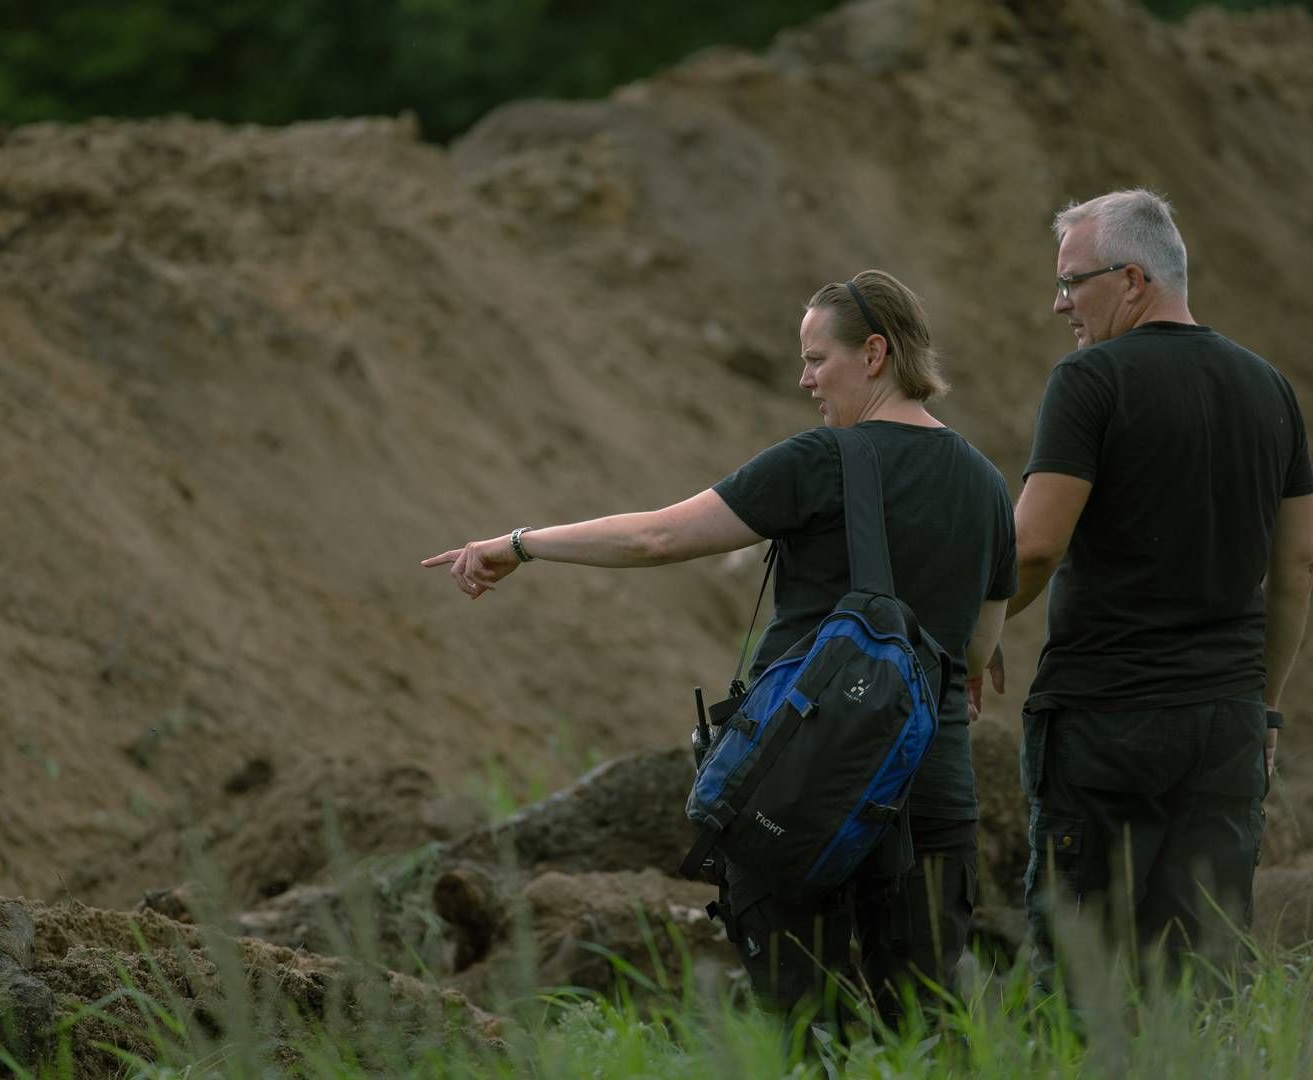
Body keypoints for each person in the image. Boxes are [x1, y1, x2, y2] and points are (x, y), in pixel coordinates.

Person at [423, 269, 1015, 1027]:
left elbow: (658, 536)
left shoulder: (821, 461)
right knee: (929, 1028)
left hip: (804, 792)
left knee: (807, 1031)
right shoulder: (987, 486)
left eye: (816, 358)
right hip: (931, 794)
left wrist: (520, 544)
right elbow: (975, 654)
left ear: (874, 354)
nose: (804, 379)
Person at [991, 189, 1313, 983]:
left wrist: (976, 638)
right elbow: (1299, 565)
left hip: (1108, 721)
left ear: (1133, 280)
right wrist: (1261, 703)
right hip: (1226, 727)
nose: (1059, 302)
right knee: (1201, 978)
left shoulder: (1090, 382)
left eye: (1074, 282)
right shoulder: (1270, 389)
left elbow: (1032, 547)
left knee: (1077, 976)